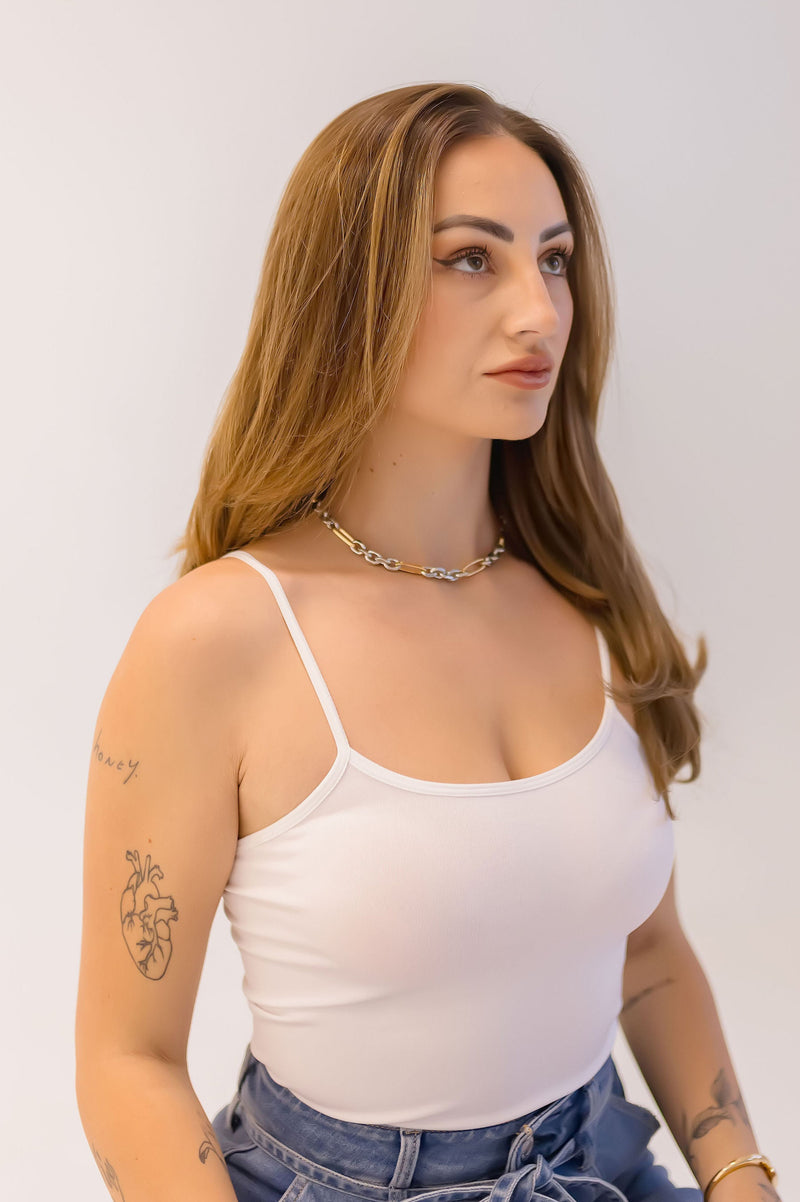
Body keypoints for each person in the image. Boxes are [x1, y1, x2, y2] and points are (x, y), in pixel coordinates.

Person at [74, 82, 779, 1202]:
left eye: (554, 260)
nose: (540, 312)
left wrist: (738, 1175)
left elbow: (647, 952)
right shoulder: (218, 640)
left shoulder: (587, 596)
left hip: (598, 1165)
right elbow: (128, 1060)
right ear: (346, 290)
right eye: (471, 259)